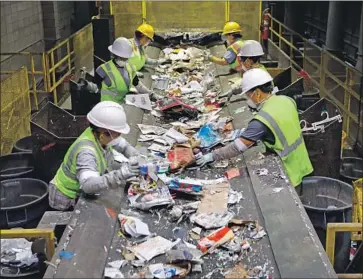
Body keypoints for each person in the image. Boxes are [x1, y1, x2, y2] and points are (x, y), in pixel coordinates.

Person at [196, 68, 313, 188]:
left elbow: (237, 147)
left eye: (248, 95)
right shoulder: (287, 100)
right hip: (302, 162)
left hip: (288, 171)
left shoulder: (262, 120)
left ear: (257, 93)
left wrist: (213, 156)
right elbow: (282, 126)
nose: (248, 98)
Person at [48, 101, 141, 211]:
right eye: (117, 133)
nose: (118, 136)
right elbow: (88, 185)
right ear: (104, 133)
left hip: (78, 191)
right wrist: (120, 174)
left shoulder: (99, 134)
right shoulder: (86, 152)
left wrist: (135, 155)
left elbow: (123, 145)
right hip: (66, 197)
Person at [92, 37, 157, 104]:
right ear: (115, 55)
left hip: (122, 103)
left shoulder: (130, 67)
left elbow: (138, 85)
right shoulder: (102, 70)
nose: (125, 60)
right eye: (122, 58)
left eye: (126, 58)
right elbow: (97, 89)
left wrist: (151, 94)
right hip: (108, 106)